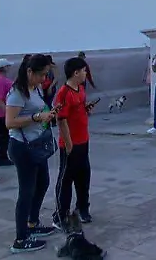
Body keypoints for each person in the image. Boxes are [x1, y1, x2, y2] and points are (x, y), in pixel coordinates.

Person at [5, 54, 59, 252]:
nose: (44, 79)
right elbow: (9, 122)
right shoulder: (17, 93)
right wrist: (37, 117)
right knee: (26, 191)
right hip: (23, 146)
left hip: (37, 144)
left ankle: (32, 222)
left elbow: (40, 108)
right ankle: (20, 239)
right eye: (42, 75)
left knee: (43, 182)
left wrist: (49, 114)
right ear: (29, 72)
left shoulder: (35, 88)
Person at [53, 57, 94, 230]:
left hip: (84, 140)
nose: (86, 73)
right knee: (66, 179)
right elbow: (61, 120)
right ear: (75, 72)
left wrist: (86, 110)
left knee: (84, 175)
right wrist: (69, 145)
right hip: (70, 144)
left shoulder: (81, 89)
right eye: (84, 70)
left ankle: (82, 208)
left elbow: (77, 111)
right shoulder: (64, 92)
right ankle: (61, 215)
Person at [0, 58, 15, 167]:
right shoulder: (0, 80)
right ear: (4, 68)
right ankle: (2, 157)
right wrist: (7, 111)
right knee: (2, 135)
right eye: (8, 66)